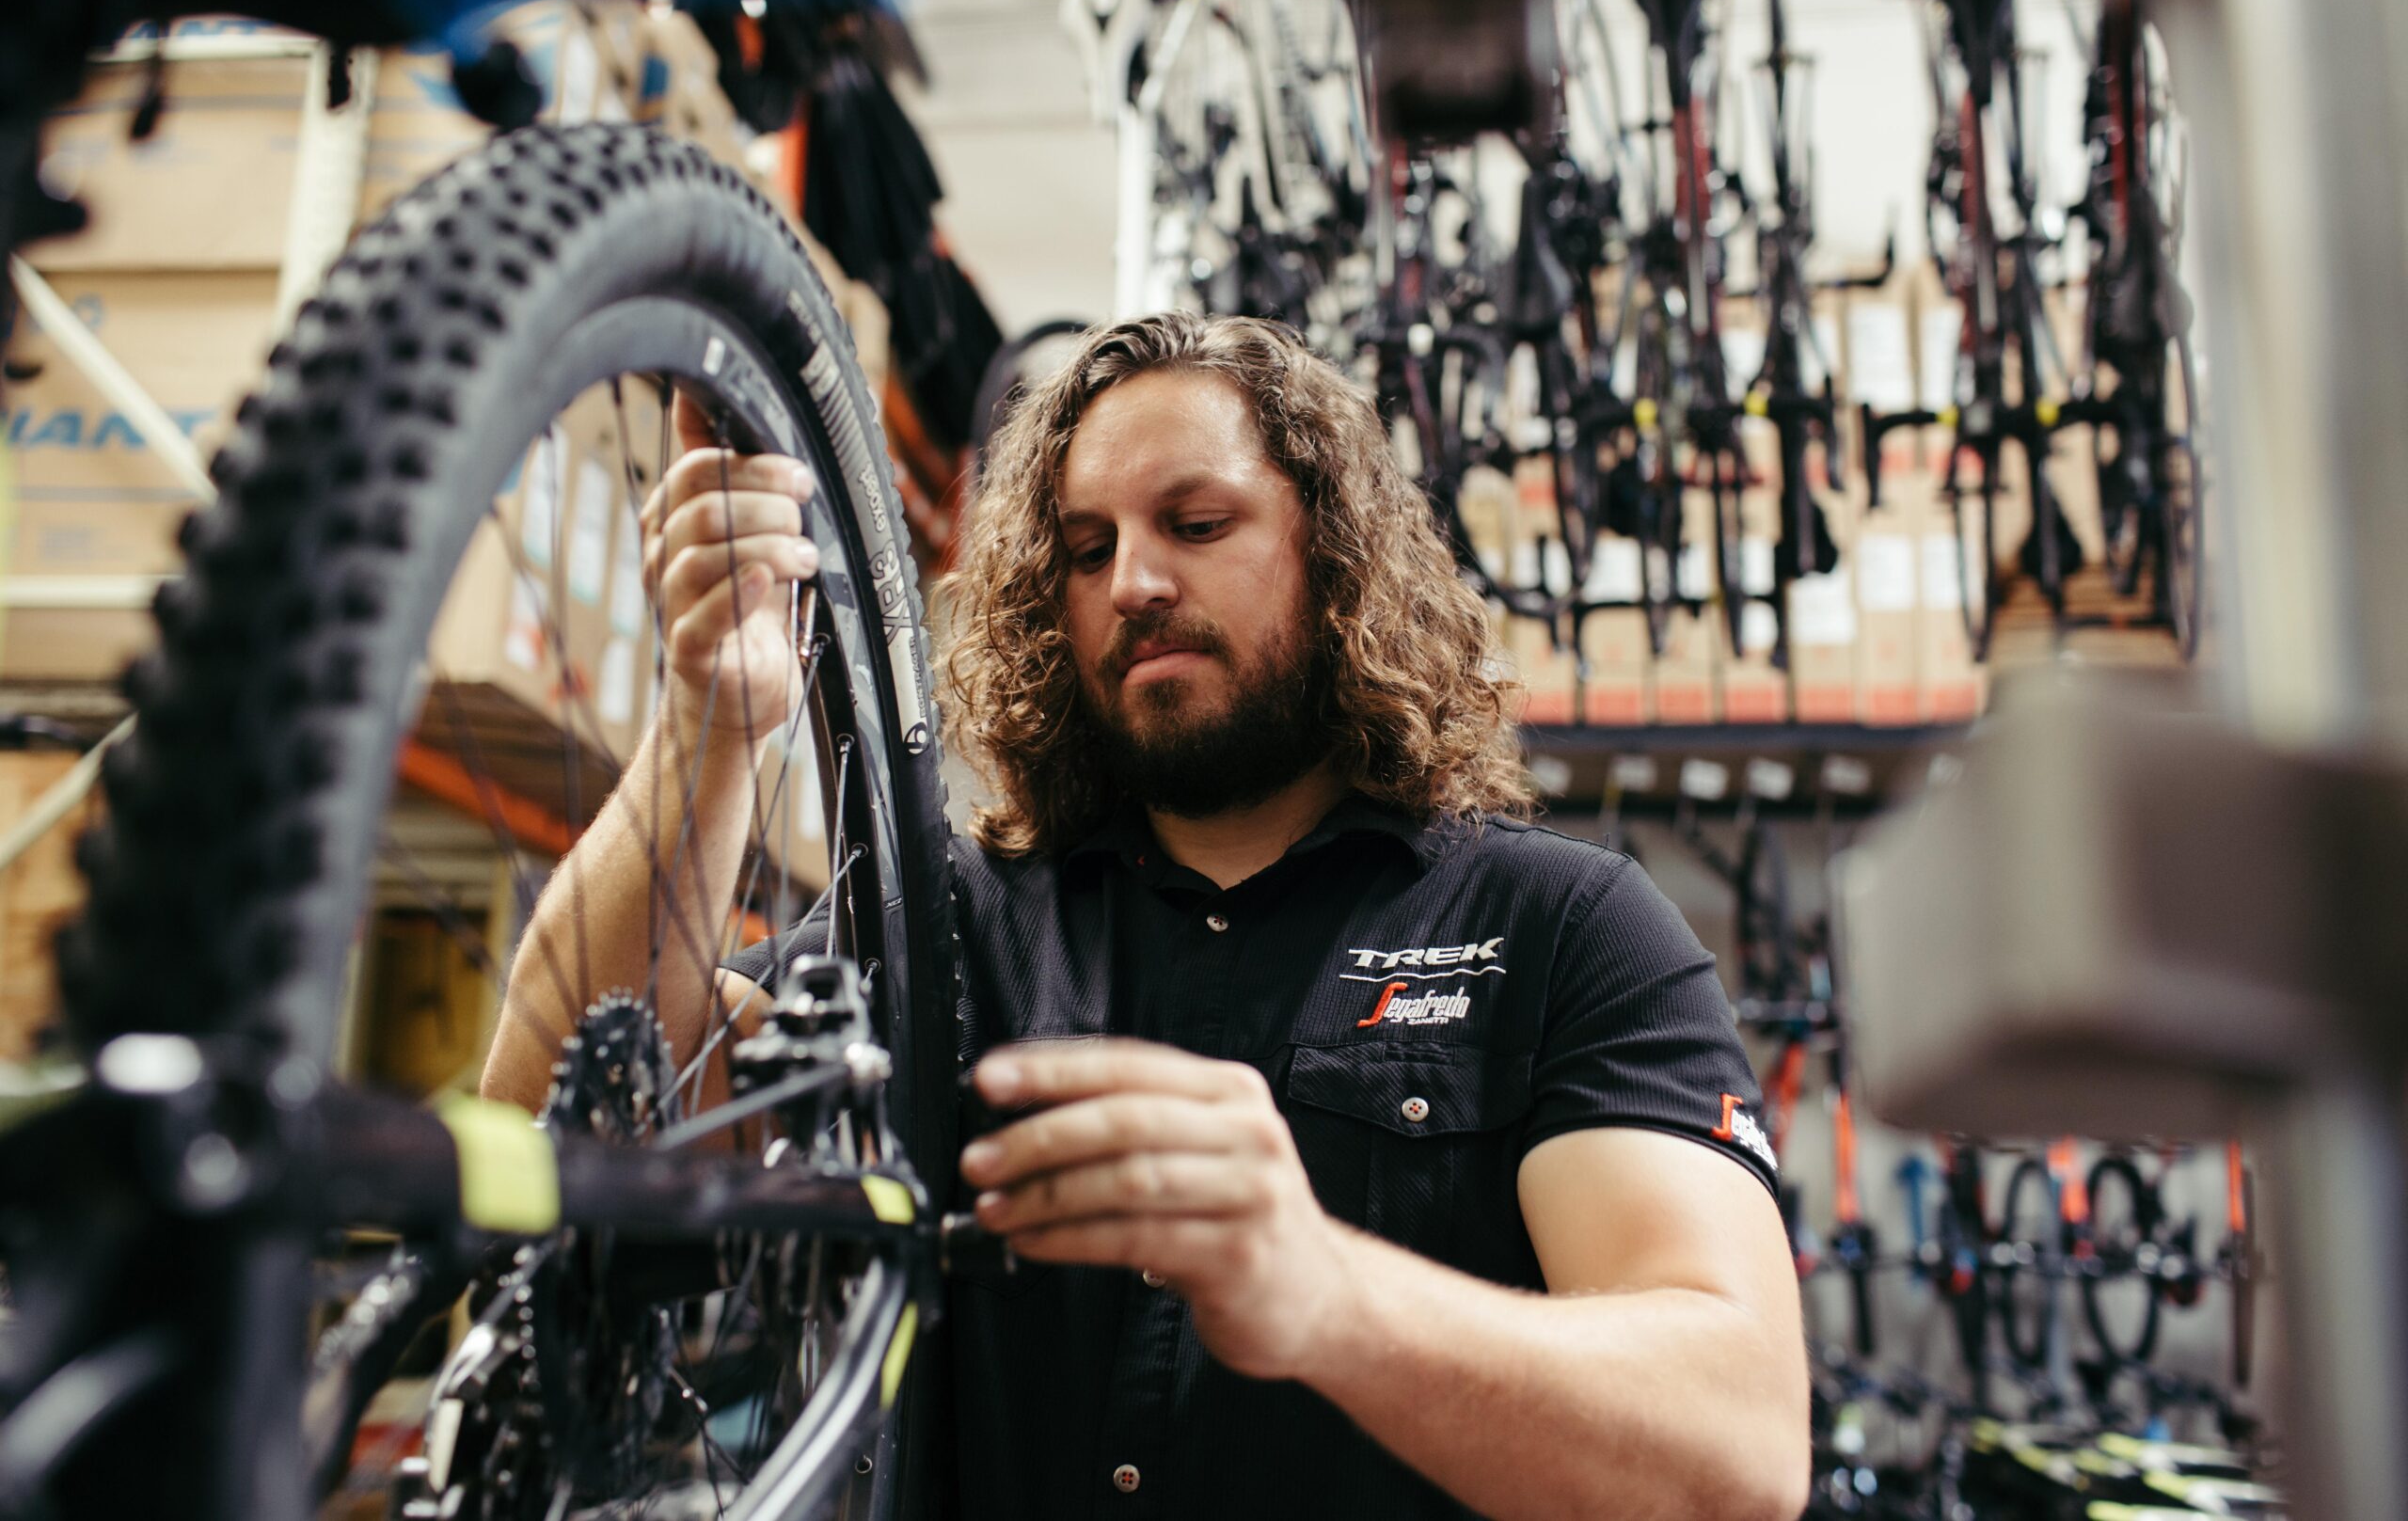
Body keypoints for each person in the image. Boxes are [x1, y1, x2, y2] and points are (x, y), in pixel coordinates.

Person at [483, 312, 1809, 1521]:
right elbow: (558, 1115)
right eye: (1087, 546)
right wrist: (712, 720)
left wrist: (1327, 1295)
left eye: (1198, 522)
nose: (1132, 583)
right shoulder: (944, 922)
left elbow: (1737, 1447)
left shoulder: (1562, 929)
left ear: (1335, 556)